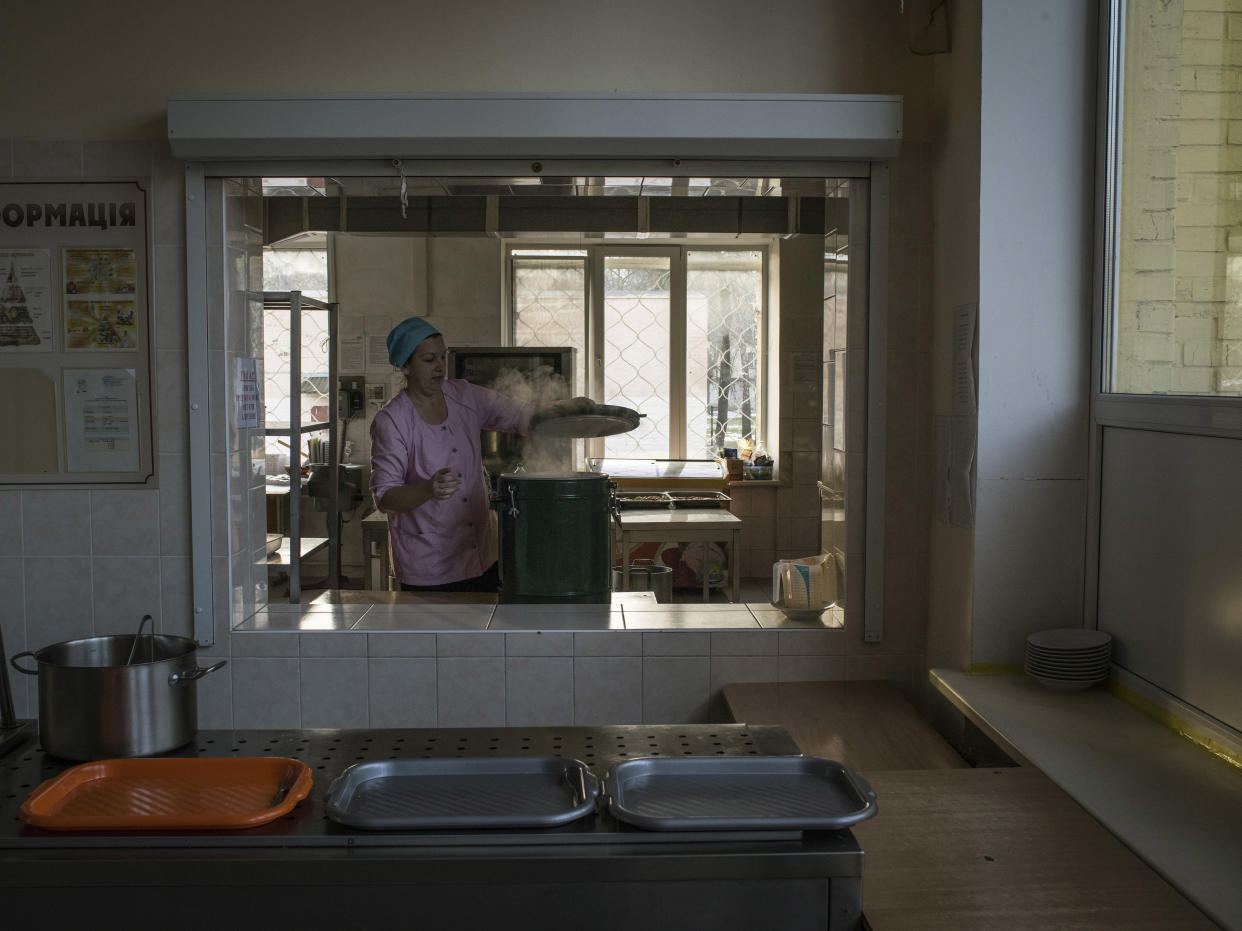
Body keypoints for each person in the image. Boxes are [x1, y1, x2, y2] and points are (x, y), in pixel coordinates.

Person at [369, 316, 591, 592]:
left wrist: (565, 408)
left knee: (486, 631)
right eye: (428, 360)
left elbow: (520, 414)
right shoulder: (393, 421)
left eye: (443, 356)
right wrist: (428, 488)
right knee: (440, 636)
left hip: (482, 554)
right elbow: (385, 497)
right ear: (405, 366)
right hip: (429, 565)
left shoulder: (464, 396)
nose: (439, 367)